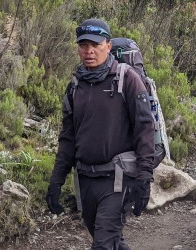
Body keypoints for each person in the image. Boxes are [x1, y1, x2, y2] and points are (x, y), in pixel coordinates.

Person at [47, 18, 155, 250]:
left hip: (118, 179)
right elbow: (68, 138)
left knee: (103, 244)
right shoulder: (75, 86)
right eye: (83, 45)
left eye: (95, 45)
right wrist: (57, 179)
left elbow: (145, 128)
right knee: (109, 241)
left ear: (108, 45)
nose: (89, 51)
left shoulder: (127, 80)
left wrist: (145, 177)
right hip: (85, 179)